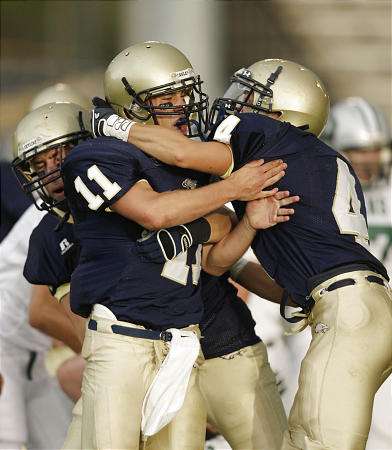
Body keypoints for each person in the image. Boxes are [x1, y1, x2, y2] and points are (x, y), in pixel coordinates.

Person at [94, 58, 392, 450]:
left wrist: (117, 127)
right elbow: (231, 267)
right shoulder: (321, 161)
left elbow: (182, 154)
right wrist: (242, 235)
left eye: (251, 98)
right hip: (356, 308)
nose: (236, 105)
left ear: (281, 113)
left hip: (346, 313)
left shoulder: (265, 134)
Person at [62, 42, 291, 450]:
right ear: (131, 108)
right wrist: (230, 189)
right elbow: (153, 212)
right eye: (167, 99)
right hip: (123, 336)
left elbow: (218, 239)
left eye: (184, 95)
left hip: (182, 341)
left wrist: (207, 225)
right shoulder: (97, 155)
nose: (183, 106)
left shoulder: (185, 160)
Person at [326, 96, 392, 450]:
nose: (369, 160)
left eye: (375, 150)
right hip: (325, 315)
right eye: (357, 150)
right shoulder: (318, 188)